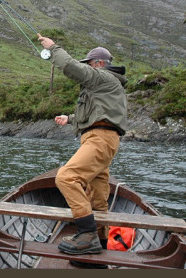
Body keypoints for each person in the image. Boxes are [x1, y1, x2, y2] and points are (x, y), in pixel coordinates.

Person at [38, 36, 128, 259]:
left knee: (67, 177)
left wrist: (53, 48)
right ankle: (102, 245)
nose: (87, 66)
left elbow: (70, 66)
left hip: (100, 139)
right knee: (98, 198)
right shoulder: (107, 85)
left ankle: (87, 234)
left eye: (89, 63)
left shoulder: (104, 77)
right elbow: (96, 113)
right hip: (100, 139)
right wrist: (69, 119)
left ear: (98, 64)